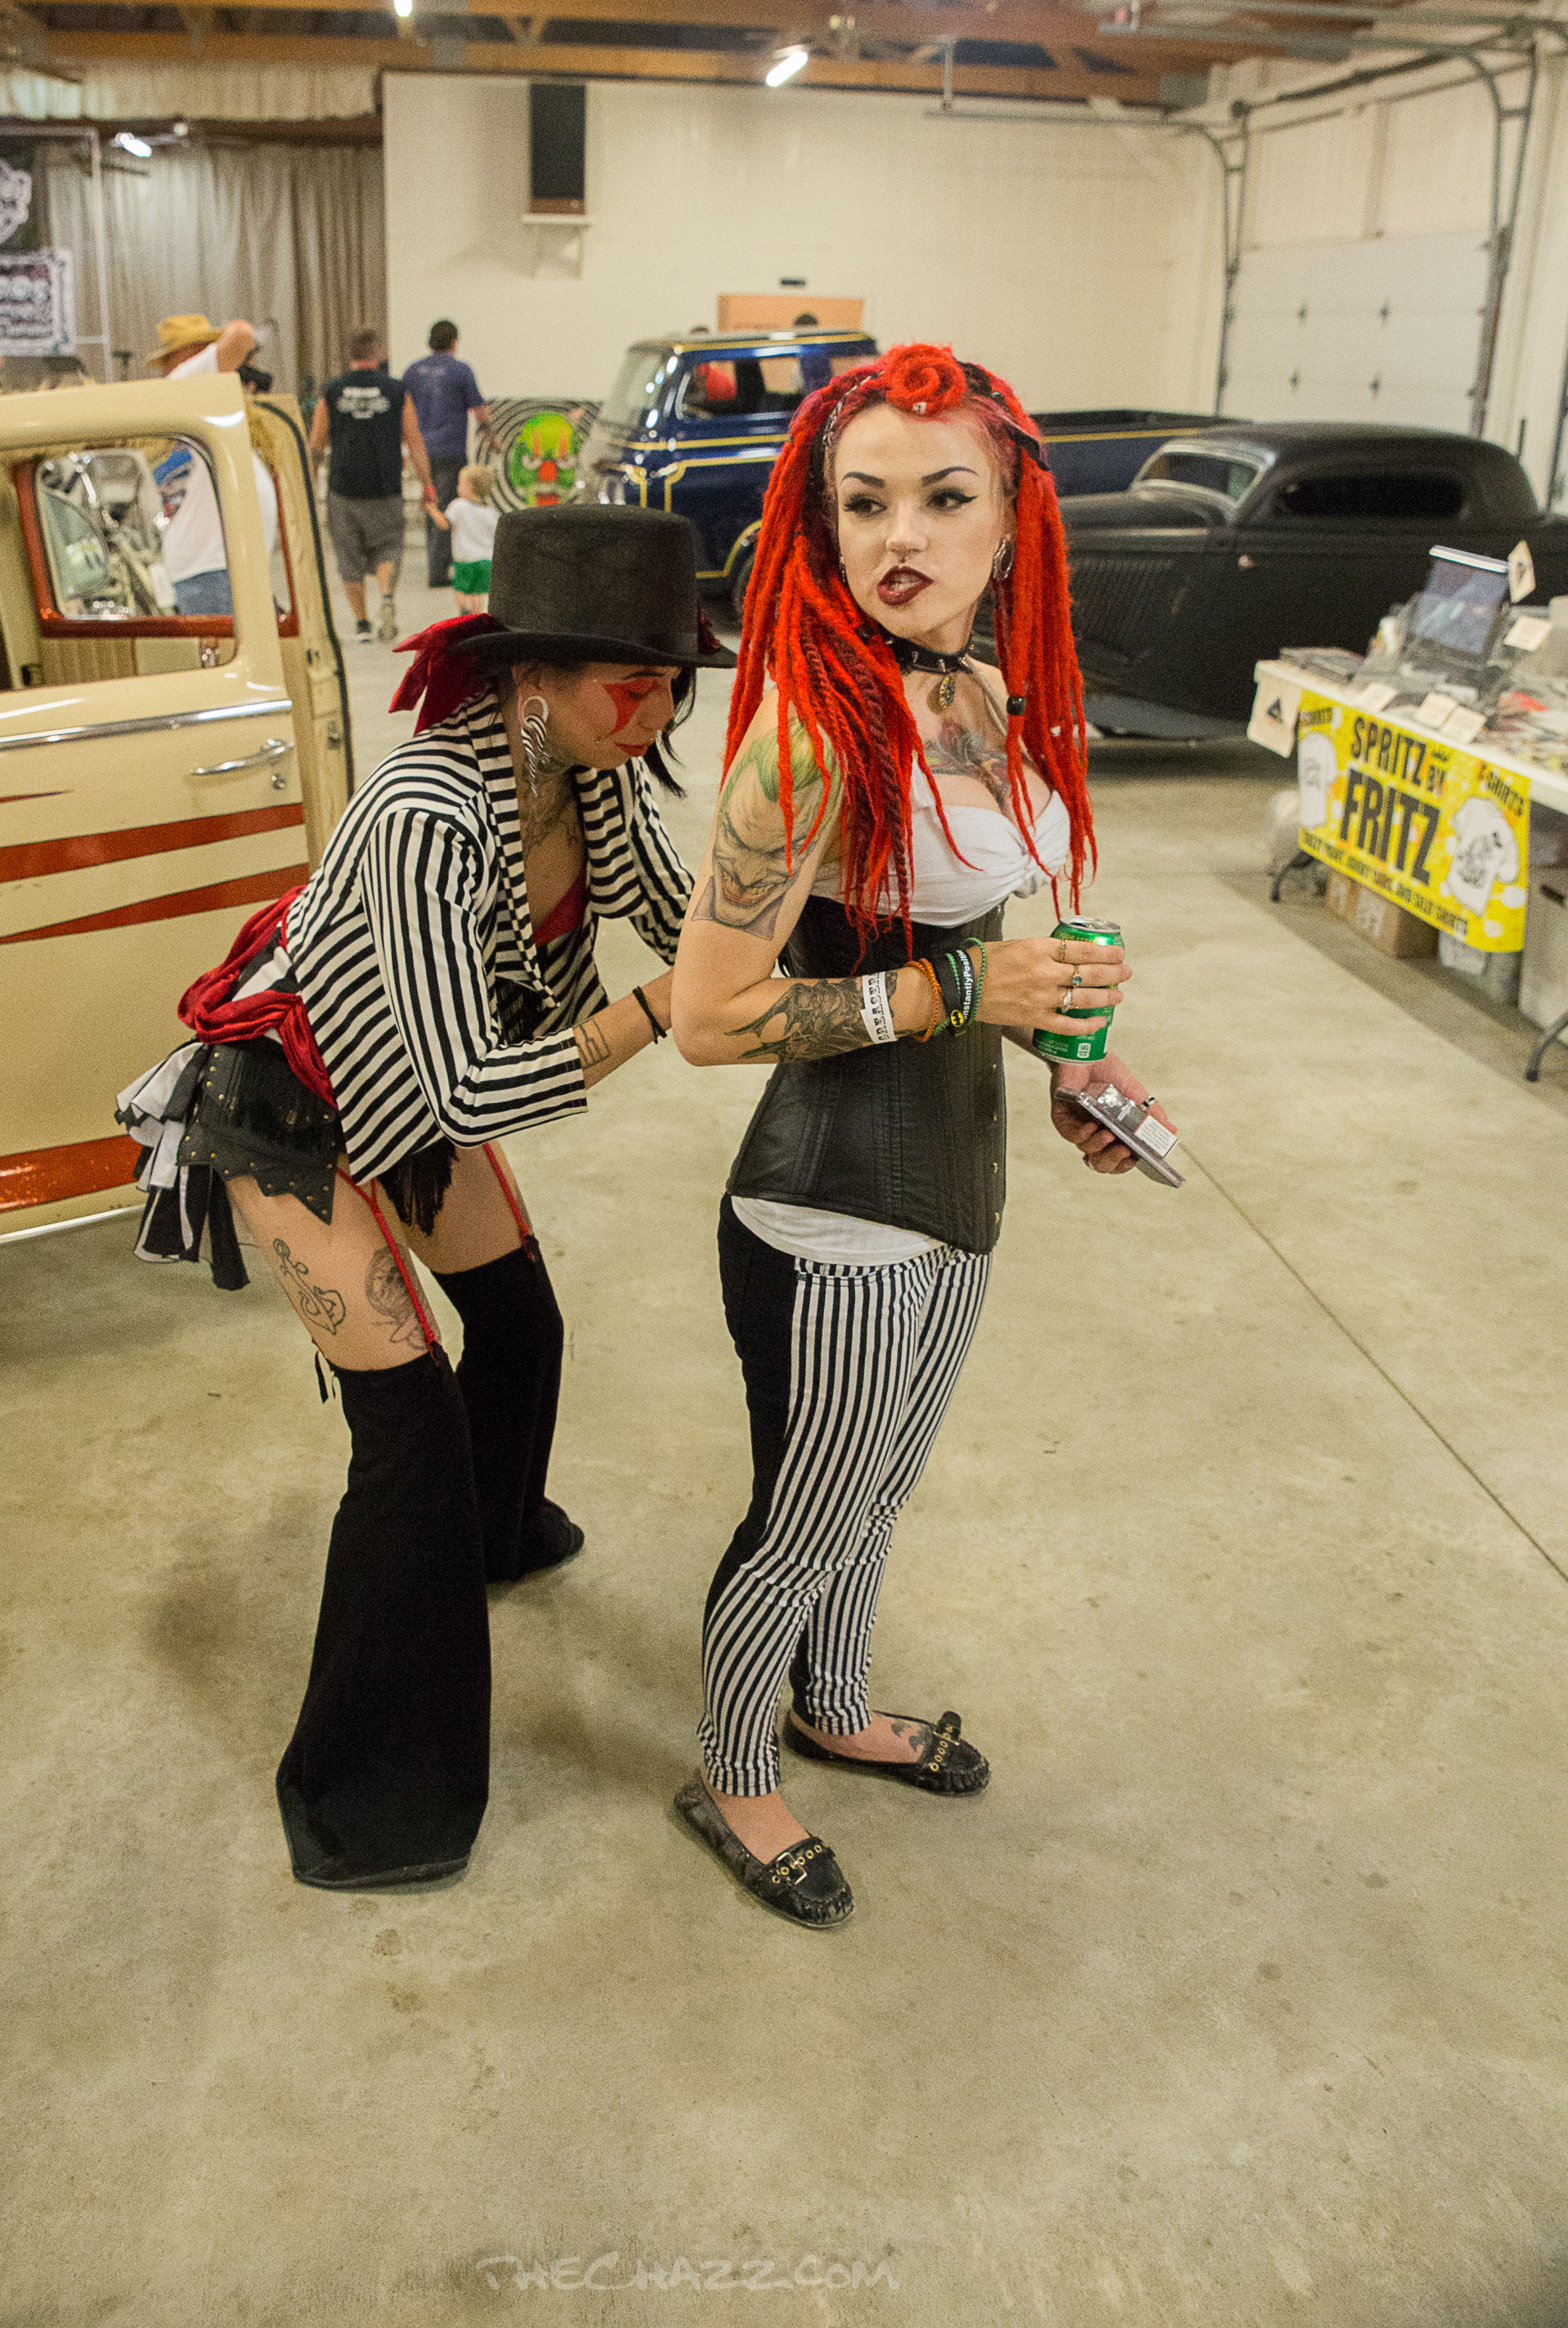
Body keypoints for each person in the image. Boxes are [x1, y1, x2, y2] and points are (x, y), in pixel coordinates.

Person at [118, 507, 732, 1893]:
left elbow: (687, 917)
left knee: (519, 1325)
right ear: (530, 678)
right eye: (632, 687)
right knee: (408, 1442)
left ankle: (490, 1545)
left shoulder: (592, 777)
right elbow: (468, 1086)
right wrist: (659, 1011)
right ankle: (361, 1799)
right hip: (295, 1110)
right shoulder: (424, 815)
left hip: (404, 1094)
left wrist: (803, 919)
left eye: (672, 688)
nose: (655, 716)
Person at [667, 341, 1170, 1931]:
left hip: (959, 1179)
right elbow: (707, 1018)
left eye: (945, 499)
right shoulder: (807, 740)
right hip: (828, 1205)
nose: (902, 537)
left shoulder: (981, 692)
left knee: (879, 1496)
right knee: (805, 1516)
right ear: (820, 523)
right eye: (864, 502)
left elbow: (981, 944)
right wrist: (966, 989)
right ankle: (733, 1772)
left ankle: (834, 1705)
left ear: (1012, 521)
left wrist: (1074, 1063)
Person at [309, 327, 437, 643]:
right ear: (378, 354)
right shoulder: (396, 390)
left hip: (343, 488)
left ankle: (363, 625)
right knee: (388, 547)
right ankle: (387, 597)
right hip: (385, 487)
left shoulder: (332, 391)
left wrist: (308, 482)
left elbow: (316, 443)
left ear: (351, 355)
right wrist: (427, 485)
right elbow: (414, 440)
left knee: (348, 557)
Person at [146, 312, 277, 617]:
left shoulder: (192, 399)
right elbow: (242, 335)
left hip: (214, 567)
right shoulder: (186, 381)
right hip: (213, 570)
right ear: (192, 355)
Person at [402, 317, 490, 589]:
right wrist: (493, 437)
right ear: (454, 343)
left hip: (421, 451)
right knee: (449, 507)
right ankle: (439, 570)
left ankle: (437, 562)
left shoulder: (412, 371)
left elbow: (403, 412)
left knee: (432, 501)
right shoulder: (461, 371)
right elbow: (480, 411)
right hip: (451, 449)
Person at [443, 463, 498, 613]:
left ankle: (463, 611)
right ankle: (477, 616)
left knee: (461, 589)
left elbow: (444, 523)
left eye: (460, 483)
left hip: (464, 559)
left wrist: (431, 509)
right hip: (486, 560)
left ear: (469, 485)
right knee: (478, 593)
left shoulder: (458, 506)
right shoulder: (490, 511)